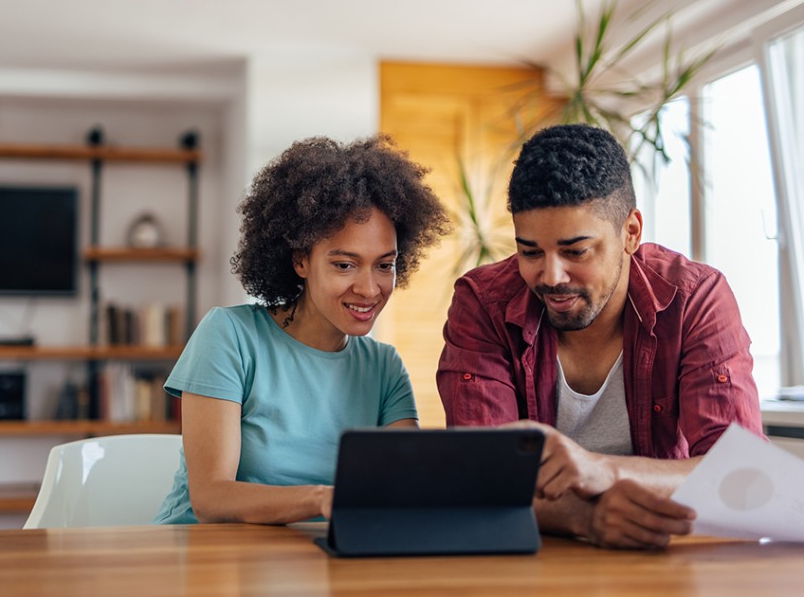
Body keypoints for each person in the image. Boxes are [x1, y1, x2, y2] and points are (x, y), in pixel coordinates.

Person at [437, 124, 763, 549]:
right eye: (530, 252)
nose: (551, 276)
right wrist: (585, 517)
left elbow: (744, 474)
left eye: (576, 251)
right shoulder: (484, 303)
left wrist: (603, 470)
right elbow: (480, 473)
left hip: (666, 550)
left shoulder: (695, 299)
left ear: (630, 233)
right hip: (531, 555)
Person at [153, 135, 450, 525]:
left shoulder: (383, 367)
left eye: (384, 265)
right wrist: (322, 500)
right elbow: (211, 496)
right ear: (301, 262)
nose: (369, 288)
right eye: (344, 265)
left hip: (312, 563)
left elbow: (404, 484)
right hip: (205, 558)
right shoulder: (230, 337)